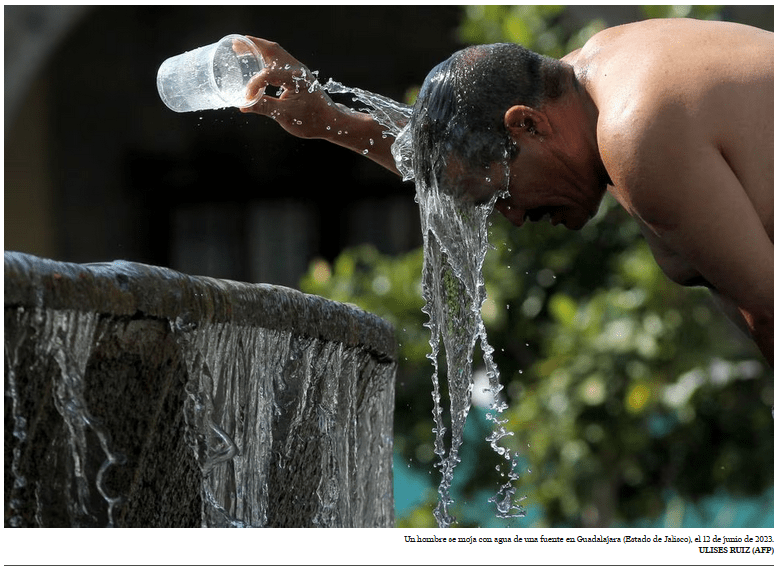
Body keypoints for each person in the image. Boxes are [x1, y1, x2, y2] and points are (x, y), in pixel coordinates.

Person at [240, 18, 773, 365]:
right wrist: (331, 119)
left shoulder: (636, 134)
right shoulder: (594, 75)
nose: (513, 217)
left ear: (529, 126)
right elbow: (462, 155)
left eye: (500, 195)